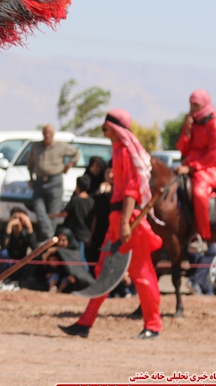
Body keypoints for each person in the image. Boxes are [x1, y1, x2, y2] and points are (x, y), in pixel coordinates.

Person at [60, 109, 163, 340]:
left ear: (116, 129)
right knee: (105, 271)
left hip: (129, 220)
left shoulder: (126, 152)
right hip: (119, 219)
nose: (103, 129)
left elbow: (131, 191)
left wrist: (126, 223)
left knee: (141, 272)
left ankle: (153, 325)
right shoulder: (117, 150)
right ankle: (84, 324)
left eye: (106, 126)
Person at [175, 89, 216, 242]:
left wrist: (191, 168)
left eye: (196, 105)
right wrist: (186, 132)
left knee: (199, 190)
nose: (192, 108)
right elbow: (183, 149)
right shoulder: (191, 123)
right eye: (191, 104)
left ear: (204, 106)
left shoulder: (215, 124)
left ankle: (202, 235)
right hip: (195, 164)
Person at [27, 125, 80, 240]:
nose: (47, 135)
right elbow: (30, 163)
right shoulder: (36, 147)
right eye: (45, 132)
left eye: (49, 132)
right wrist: (31, 177)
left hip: (55, 182)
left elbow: (76, 153)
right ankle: (50, 237)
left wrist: (69, 165)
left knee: (53, 214)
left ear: (53, 134)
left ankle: (47, 241)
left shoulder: (60, 146)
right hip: (39, 182)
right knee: (39, 210)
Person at [49, 174, 95, 262]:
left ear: (77, 186)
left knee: (80, 256)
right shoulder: (91, 201)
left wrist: (53, 215)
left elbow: (65, 213)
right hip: (86, 233)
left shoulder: (75, 200)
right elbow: (94, 220)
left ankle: (84, 273)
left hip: (77, 233)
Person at [39, 227, 94, 294]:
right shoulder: (52, 251)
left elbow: (77, 271)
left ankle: (60, 290)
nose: (60, 243)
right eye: (58, 240)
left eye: (63, 240)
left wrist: (57, 250)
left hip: (69, 283)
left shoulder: (75, 251)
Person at [0, 208, 37, 289]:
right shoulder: (3, 231)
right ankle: (6, 279)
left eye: (21, 219)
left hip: (21, 264)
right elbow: (4, 246)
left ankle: (22, 282)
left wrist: (29, 227)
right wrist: (9, 228)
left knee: (32, 257)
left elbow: (35, 248)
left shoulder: (26, 232)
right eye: (15, 218)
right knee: (2, 252)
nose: (17, 221)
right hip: (8, 263)